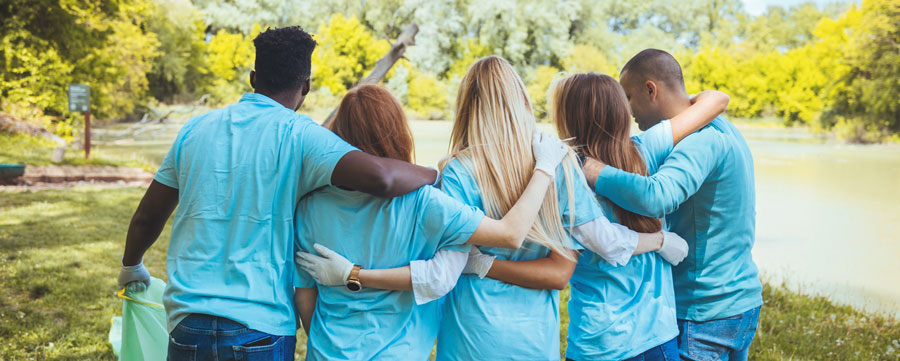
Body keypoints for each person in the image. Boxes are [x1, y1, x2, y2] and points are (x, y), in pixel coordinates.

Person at [297, 56, 689, 361]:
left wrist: (353, 275)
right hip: (534, 339)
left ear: (467, 105)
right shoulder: (556, 161)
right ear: (519, 99)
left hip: (470, 337)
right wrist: (659, 240)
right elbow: (607, 242)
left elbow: (442, 274)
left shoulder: (457, 173)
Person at [115, 26, 447, 360]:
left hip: (188, 325)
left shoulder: (194, 129)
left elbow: (147, 216)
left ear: (253, 78)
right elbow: (383, 178)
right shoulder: (302, 137)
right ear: (306, 86)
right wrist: (437, 174)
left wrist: (132, 266)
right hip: (260, 330)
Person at [292, 84, 572, 360]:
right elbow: (510, 234)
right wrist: (544, 167)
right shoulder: (425, 204)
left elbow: (305, 295)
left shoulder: (308, 208)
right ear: (399, 133)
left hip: (328, 351)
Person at [582, 49, 763, 361]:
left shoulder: (700, 140)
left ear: (651, 90)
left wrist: (595, 171)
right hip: (739, 301)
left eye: (628, 96)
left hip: (704, 310)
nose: (626, 110)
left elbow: (657, 197)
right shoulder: (724, 126)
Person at [549, 72, 729, 361]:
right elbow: (717, 100)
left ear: (568, 117)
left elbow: (604, 241)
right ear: (620, 111)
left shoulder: (565, 172)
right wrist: (660, 240)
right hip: (657, 335)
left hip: (602, 340)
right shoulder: (647, 148)